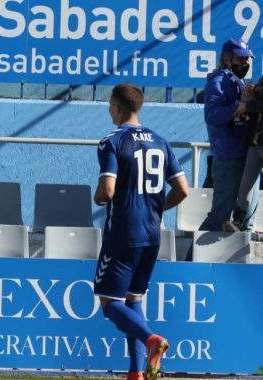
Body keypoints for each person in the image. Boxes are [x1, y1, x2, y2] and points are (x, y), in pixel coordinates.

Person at [93, 83, 189, 380]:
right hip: (152, 233)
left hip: (123, 233)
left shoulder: (112, 141)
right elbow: (183, 190)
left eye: (110, 104)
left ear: (118, 107)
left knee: (109, 304)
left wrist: (98, 197)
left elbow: (107, 191)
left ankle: (152, 340)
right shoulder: (161, 141)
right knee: (134, 300)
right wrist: (156, 210)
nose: (109, 109)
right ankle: (136, 373)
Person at [198, 38, 256, 232]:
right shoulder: (219, 81)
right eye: (240, 59)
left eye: (247, 59)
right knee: (219, 218)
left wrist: (246, 101)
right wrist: (238, 107)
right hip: (228, 159)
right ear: (226, 61)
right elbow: (211, 115)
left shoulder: (239, 81)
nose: (245, 63)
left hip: (246, 157)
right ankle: (192, 261)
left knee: (245, 222)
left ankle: (241, 263)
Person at [228, 76, 263, 232]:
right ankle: (239, 221)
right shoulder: (261, 81)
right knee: (246, 183)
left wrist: (247, 105)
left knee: (248, 182)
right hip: (255, 140)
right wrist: (250, 96)